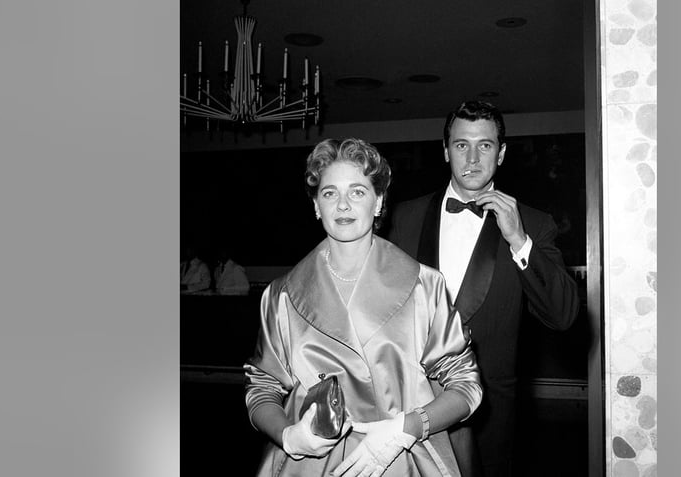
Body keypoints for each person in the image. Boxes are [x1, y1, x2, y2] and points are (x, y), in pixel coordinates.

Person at [244, 138, 483, 477]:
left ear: (379, 201)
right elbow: (262, 388)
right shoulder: (281, 294)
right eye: (329, 193)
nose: (342, 205)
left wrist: (407, 427)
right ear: (316, 205)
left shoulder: (423, 285)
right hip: (311, 464)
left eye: (357, 192)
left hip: (401, 458)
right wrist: (287, 435)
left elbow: (466, 386)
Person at [387, 101, 580, 477]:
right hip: (410, 409)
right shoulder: (404, 217)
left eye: (485, 146)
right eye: (461, 145)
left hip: (489, 416)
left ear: (502, 153)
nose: (473, 158)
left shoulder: (534, 224)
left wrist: (518, 240)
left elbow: (564, 315)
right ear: (445, 150)